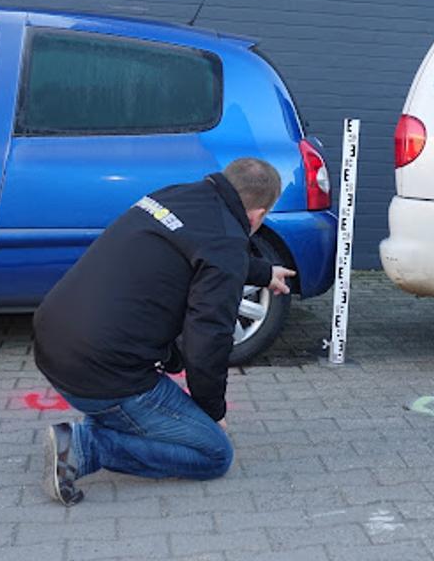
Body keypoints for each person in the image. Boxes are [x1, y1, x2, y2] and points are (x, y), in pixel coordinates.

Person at [34, 157, 294, 506]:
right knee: (214, 454)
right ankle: (85, 447)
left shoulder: (178, 195)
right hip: (103, 374)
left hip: (53, 343)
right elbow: (207, 342)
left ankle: (104, 427)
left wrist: (263, 273)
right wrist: (212, 413)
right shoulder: (225, 242)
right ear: (258, 216)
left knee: (174, 424)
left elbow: (206, 252)